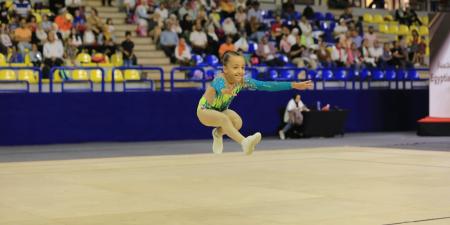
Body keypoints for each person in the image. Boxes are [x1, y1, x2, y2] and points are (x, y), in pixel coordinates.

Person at [197, 51, 313, 155]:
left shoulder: (242, 82)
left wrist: (293, 85)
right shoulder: (219, 78)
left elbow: (268, 86)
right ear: (225, 69)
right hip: (205, 111)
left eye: (242, 67)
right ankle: (244, 142)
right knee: (224, 119)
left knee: (237, 122)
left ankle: (217, 134)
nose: (240, 71)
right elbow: (219, 86)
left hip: (221, 111)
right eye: (235, 67)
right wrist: (226, 91)